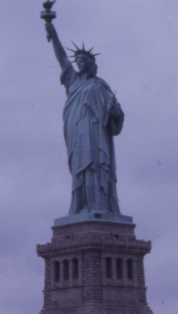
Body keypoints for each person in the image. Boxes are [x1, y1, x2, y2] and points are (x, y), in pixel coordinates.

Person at [44, 18, 124, 216]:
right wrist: (53, 32)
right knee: (80, 166)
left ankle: (98, 205)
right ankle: (80, 206)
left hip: (96, 131)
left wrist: (115, 112)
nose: (79, 63)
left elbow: (117, 113)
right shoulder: (72, 80)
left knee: (95, 165)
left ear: (91, 64)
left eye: (83, 61)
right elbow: (62, 58)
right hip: (75, 129)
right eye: (77, 61)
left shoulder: (100, 85)